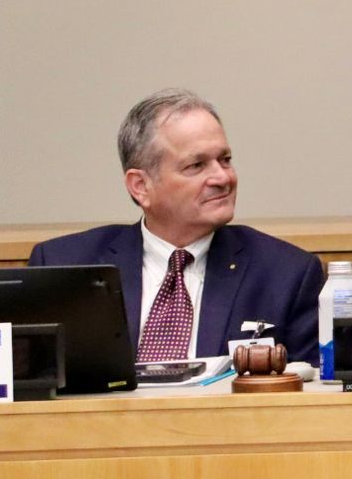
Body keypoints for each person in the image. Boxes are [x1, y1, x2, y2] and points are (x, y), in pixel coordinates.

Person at [28, 89, 323, 363]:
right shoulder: (63, 266)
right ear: (140, 186)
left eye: (225, 159)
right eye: (196, 166)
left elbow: (308, 400)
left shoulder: (287, 274)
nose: (222, 178)